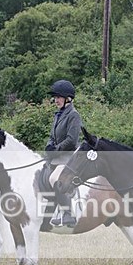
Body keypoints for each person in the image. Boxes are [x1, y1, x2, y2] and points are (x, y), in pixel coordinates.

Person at [45, 79, 82, 227]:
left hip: (69, 158)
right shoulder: (58, 115)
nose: (56, 100)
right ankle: (50, 214)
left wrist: (57, 149)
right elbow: (51, 136)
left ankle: (68, 214)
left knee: (55, 179)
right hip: (57, 158)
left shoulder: (74, 115)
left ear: (68, 98)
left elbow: (72, 140)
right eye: (55, 97)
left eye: (59, 97)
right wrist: (49, 147)